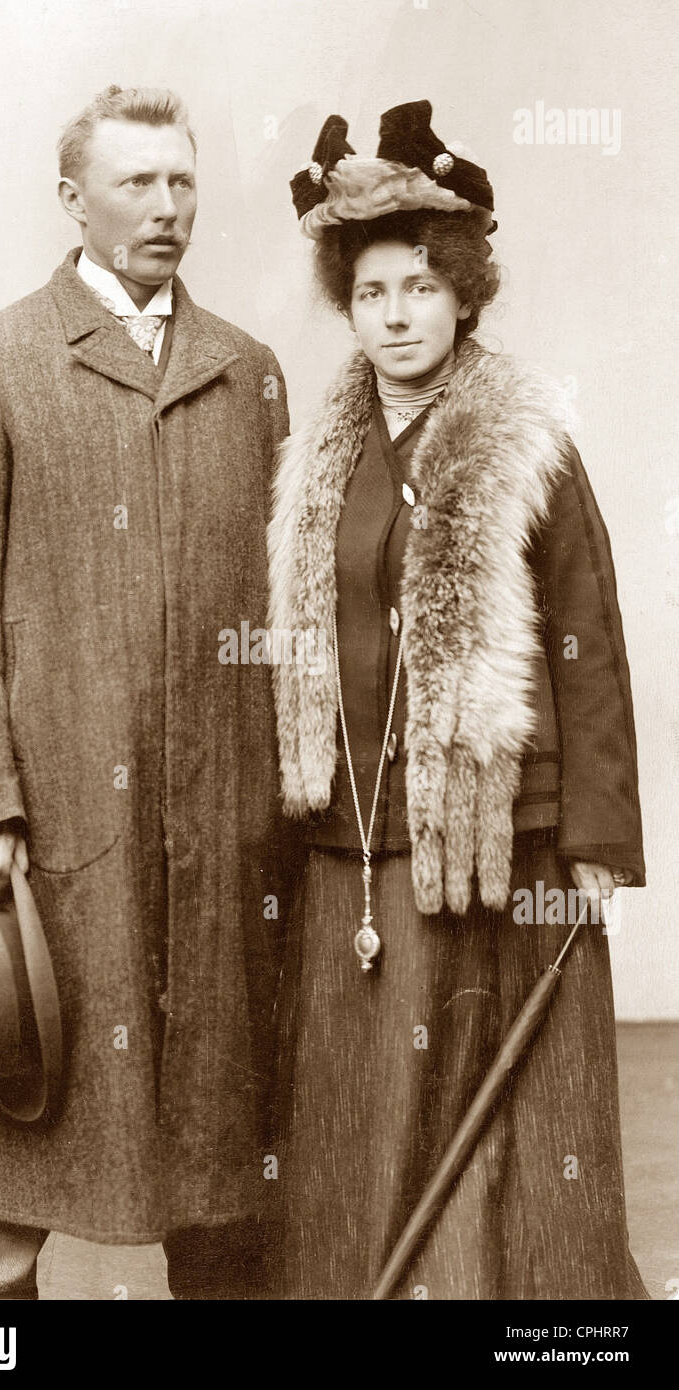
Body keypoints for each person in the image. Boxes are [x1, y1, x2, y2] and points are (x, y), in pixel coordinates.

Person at [0, 84, 292, 1300]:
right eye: (136, 183)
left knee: (226, 1183)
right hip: (50, 840)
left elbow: (288, 613)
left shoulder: (249, 371)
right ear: (74, 199)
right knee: (16, 1170)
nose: (166, 207)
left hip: (224, 835)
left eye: (180, 181)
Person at [266, 102, 648, 1299]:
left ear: (465, 293)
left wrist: (594, 842)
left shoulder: (527, 441)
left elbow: (590, 646)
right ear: (347, 301)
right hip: (358, 839)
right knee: (360, 1107)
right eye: (372, 290)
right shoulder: (318, 450)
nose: (395, 315)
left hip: (504, 839)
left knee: (514, 1114)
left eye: (421, 288)